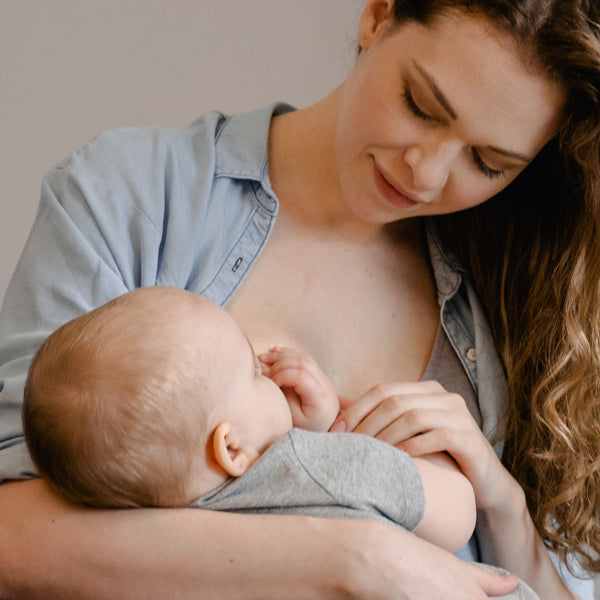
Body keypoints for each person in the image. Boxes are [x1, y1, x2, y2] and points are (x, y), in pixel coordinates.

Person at [0, 0, 598, 598]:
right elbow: (13, 535)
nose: (426, 172)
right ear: (378, 15)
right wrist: (350, 559)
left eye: (487, 163)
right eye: (420, 105)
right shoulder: (132, 196)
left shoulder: (521, 299)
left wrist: (501, 502)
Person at [22, 286, 539, 600]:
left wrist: (301, 425)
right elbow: (454, 516)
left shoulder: (164, 537)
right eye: (251, 371)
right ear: (230, 449)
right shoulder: (309, 465)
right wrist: (364, 432)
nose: (267, 368)